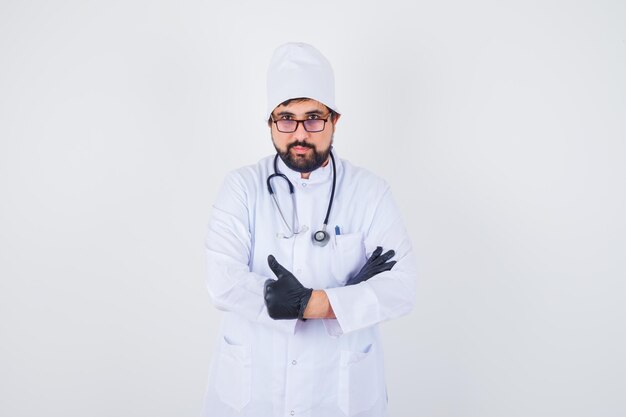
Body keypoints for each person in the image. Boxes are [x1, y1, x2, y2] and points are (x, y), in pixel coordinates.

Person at [201, 42, 417, 417]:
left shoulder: (370, 192)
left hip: (340, 387)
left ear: (334, 120)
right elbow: (222, 280)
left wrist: (308, 303)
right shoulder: (242, 187)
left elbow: (402, 288)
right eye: (286, 118)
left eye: (313, 118)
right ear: (270, 123)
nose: (299, 133)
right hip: (255, 388)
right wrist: (341, 301)